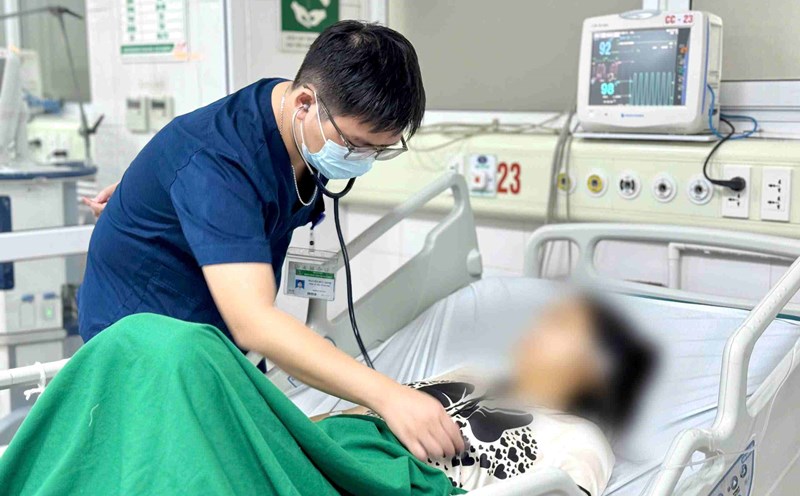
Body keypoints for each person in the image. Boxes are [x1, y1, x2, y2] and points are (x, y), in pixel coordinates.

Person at [78, 20, 464, 462]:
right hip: (143, 342)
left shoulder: (301, 131)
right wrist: (389, 396)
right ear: (305, 103)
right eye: (357, 145)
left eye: (379, 150)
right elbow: (254, 321)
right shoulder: (218, 163)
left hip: (215, 338)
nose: (363, 161)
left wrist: (148, 192)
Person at [319, 294, 658, 495]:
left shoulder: (582, 437)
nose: (536, 327)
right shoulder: (472, 374)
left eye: (560, 325)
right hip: (332, 444)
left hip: (397, 475)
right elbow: (364, 414)